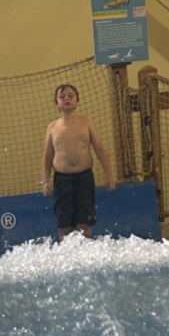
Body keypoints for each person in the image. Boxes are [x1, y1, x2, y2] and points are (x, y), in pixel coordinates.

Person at [40, 85, 116, 240]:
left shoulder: (86, 122)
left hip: (84, 178)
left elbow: (100, 149)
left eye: (70, 95)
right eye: (62, 97)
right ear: (56, 103)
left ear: (77, 100)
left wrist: (109, 174)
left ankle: (87, 251)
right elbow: (47, 156)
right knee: (64, 225)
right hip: (62, 180)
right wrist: (45, 181)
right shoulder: (53, 127)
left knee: (84, 224)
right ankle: (66, 253)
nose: (67, 99)